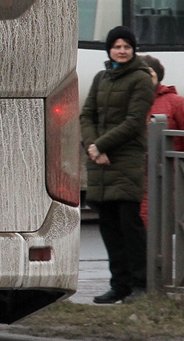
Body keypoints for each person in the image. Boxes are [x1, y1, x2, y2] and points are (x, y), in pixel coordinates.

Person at [79, 25, 155, 304]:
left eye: (126, 46)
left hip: (125, 161)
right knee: (109, 228)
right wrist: (92, 146)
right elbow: (86, 115)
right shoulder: (101, 77)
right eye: (117, 46)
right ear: (109, 49)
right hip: (101, 163)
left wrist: (101, 145)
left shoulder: (141, 79)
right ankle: (119, 285)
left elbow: (134, 122)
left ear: (133, 50)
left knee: (130, 226)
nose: (121, 51)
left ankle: (141, 284)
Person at [138, 55, 184, 226]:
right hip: (137, 174)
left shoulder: (175, 102)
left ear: (158, 75)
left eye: (148, 72)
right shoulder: (131, 101)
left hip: (168, 175)